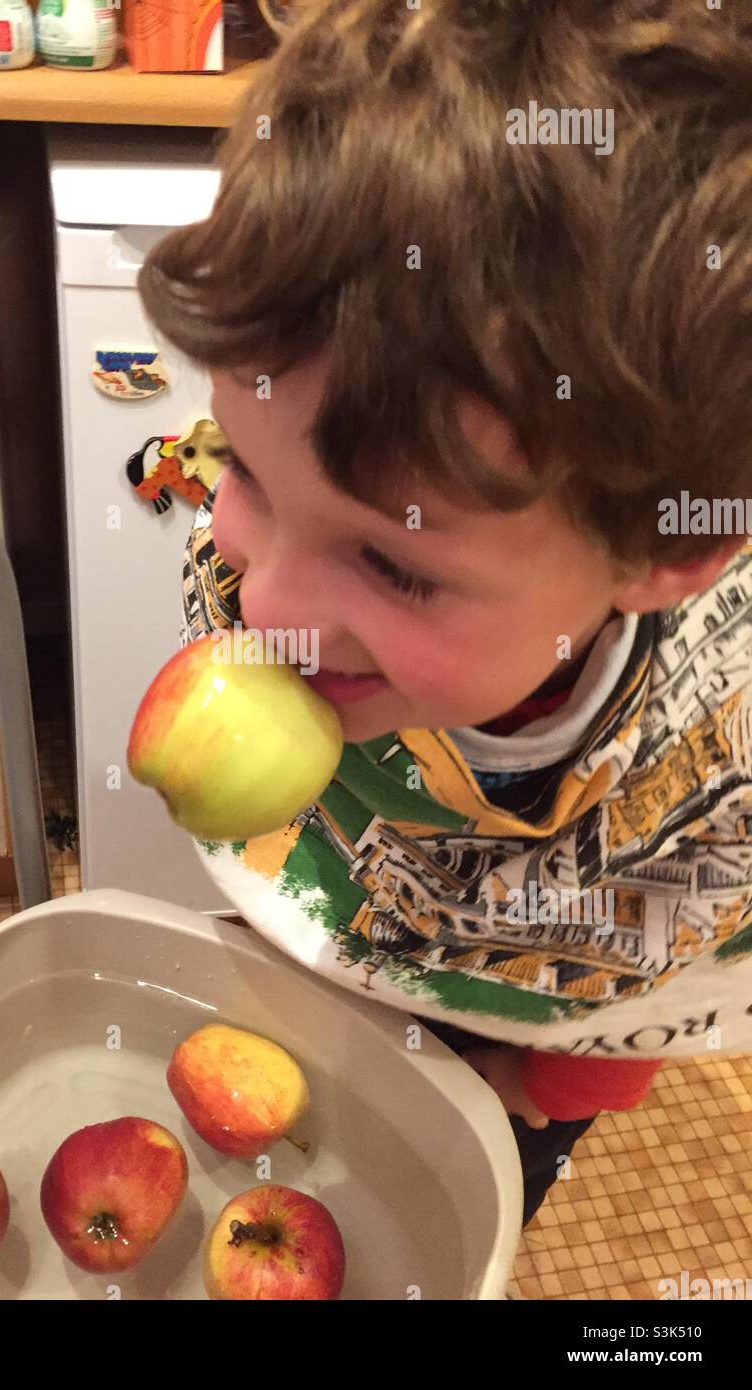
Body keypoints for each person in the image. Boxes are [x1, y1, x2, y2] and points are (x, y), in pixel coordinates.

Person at [138, 0, 752, 1228]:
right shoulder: (294, 575)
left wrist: (554, 1070)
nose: (265, 601)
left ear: (662, 551)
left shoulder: (715, 766)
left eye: (397, 564)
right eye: (248, 475)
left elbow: (659, 970)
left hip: (526, 1036)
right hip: (335, 937)